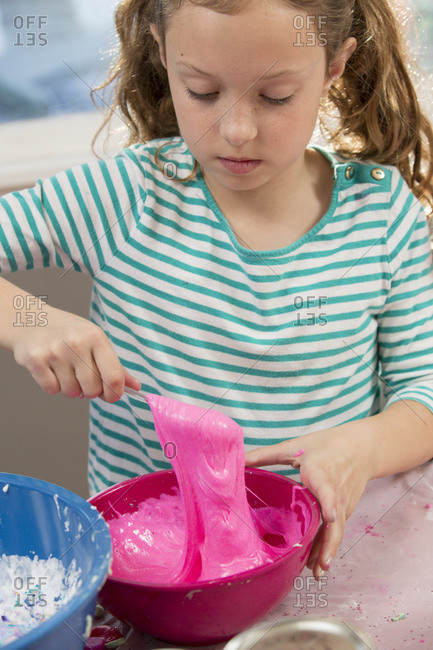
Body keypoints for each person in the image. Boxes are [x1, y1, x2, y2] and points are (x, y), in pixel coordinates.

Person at [1, 0, 433, 579]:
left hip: (328, 570)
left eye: (275, 96)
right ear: (161, 52)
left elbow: (422, 393)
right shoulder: (127, 195)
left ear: (335, 63)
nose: (236, 129)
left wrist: (363, 447)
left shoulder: (382, 216)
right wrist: (29, 319)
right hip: (153, 578)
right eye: (202, 90)